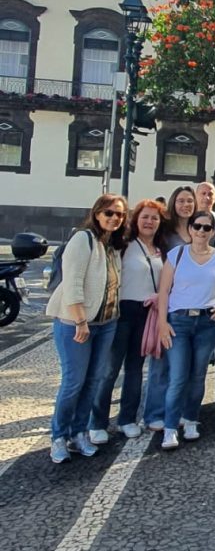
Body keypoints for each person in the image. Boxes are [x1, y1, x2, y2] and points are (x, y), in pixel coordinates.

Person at [46, 194, 128, 464]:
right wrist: (80, 321)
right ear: (97, 213)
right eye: (109, 213)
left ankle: (78, 433)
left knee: (93, 381)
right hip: (76, 323)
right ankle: (59, 437)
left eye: (119, 214)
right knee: (74, 382)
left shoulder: (112, 245)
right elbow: (73, 283)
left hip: (106, 323)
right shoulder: (83, 239)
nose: (114, 218)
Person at [90, 198, 169, 442]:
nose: (149, 222)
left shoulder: (161, 249)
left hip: (147, 314)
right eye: (145, 217)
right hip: (123, 312)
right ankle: (97, 423)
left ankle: (127, 419)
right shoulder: (124, 245)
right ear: (136, 220)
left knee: (135, 369)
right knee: (110, 369)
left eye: (154, 218)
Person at [156, 208, 215, 450]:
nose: (202, 231)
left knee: (198, 375)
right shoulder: (177, 254)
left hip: (207, 323)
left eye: (207, 227)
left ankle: (191, 420)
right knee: (178, 376)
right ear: (190, 229)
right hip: (179, 322)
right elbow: (164, 291)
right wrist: (162, 323)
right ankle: (170, 428)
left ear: (212, 231)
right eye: (197, 226)